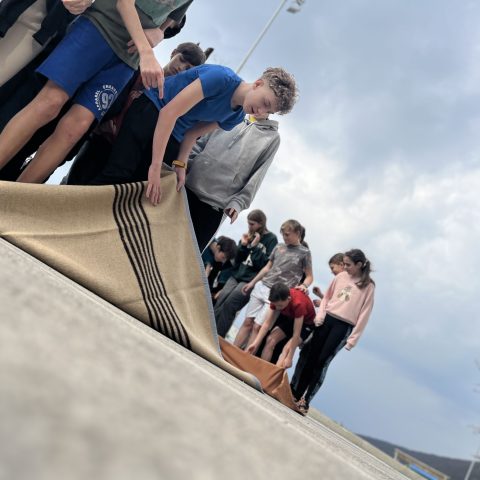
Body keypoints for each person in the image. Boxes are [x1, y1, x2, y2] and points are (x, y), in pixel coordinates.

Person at [0, 0, 193, 183]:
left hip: (127, 59)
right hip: (98, 27)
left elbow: (170, 19)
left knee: (75, 130)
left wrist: (160, 32)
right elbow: (124, 3)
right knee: (49, 103)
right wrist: (146, 52)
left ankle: (15, 200)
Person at [89, 65, 298, 208]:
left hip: (175, 133)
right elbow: (169, 113)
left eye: (268, 111)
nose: (261, 111)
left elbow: (191, 134)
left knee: (143, 191)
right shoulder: (221, 79)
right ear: (258, 84)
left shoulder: (235, 117)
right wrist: (155, 166)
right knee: (119, 172)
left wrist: (181, 165)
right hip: (153, 108)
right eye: (265, 103)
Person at [64, 41, 206, 185]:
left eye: (188, 68)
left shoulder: (175, 101)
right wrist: (103, 121)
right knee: (73, 185)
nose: (181, 67)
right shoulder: (143, 72)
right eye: (182, 60)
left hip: (128, 156)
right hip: (103, 138)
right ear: (174, 53)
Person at [291, 249, 375, 415]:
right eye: (343, 264)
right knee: (310, 358)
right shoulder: (341, 276)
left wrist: (353, 339)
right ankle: (296, 394)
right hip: (326, 321)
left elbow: (365, 314)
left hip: (343, 327)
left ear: (359, 265)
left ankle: (305, 401)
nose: (345, 267)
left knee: (321, 362)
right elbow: (327, 298)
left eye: (348, 265)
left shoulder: (368, 286)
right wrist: (320, 316)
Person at [184, 112, 280, 250]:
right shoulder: (229, 113)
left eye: (267, 105)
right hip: (187, 187)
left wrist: (238, 203)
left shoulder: (272, 137)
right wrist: (185, 164)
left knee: (190, 254)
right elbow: (200, 142)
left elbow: (258, 175)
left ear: (274, 110)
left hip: (215, 206)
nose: (260, 108)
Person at [233, 219, 313, 349]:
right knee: (247, 322)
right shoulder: (279, 246)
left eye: (287, 234)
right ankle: (231, 351)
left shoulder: (304, 253)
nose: (284, 237)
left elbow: (309, 276)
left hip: (277, 294)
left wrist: (304, 285)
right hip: (262, 286)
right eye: (283, 234)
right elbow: (267, 267)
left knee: (258, 327)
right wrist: (252, 282)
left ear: (297, 233)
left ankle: (245, 355)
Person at [214, 210, 277, 338]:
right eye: (248, 223)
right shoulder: (249, 234)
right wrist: (243, 245)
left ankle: (218, 337)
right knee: (221, 300)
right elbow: (237, 259)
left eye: (252, 224)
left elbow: (265, 264)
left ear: (261, 224)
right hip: (236, 275)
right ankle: (208, 330)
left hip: (250, 280)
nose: (250, 227)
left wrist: (254, 247)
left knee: (230, 304)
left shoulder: (271, 239)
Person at [246, 282, 315, 369]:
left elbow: (296, 334)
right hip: (292, 318)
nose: (277, 308)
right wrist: (255, 343)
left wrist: (289, 358)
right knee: (270, 340)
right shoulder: (276, 301)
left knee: (287, 349)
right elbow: (266, 324)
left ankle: (272, 375)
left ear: (288, 299)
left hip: (306, 324)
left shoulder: (298, 304)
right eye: (276, 305)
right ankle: (262, 370)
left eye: (280, 305)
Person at [201, 236, 237, 301]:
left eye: (225, 259)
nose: (223, 261)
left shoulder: (218, 263)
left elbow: (209, 281)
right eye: (223, 257)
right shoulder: (205, 247)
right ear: (218, 247)